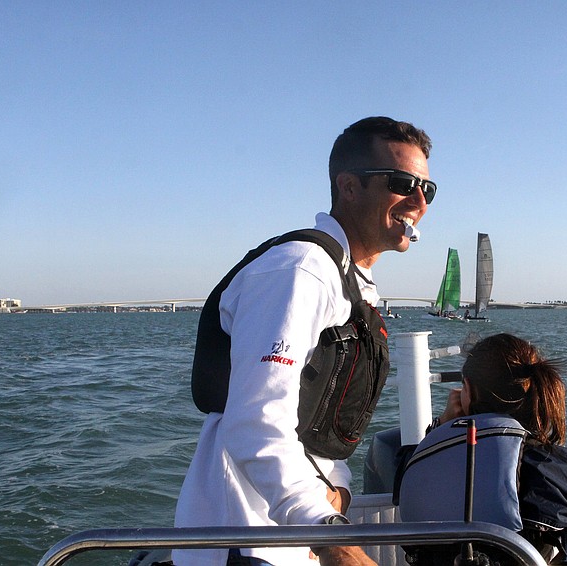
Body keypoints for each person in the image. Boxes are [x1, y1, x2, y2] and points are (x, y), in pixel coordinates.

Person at [174, 117, 435, 566]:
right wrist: (333, 539)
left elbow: (321, 428)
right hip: (248, 538)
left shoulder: (352, 284)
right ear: (349, 187)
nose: (419, 201)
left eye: (427, 190)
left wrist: (339, 492)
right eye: (402, 182)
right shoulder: (300, 272)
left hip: (297, 537)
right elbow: (255, 420)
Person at [416, 333, 567, 565]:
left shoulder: (429, 464)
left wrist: (441, 428)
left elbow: (407, 476)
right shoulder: (562, 470)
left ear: (467, 388)